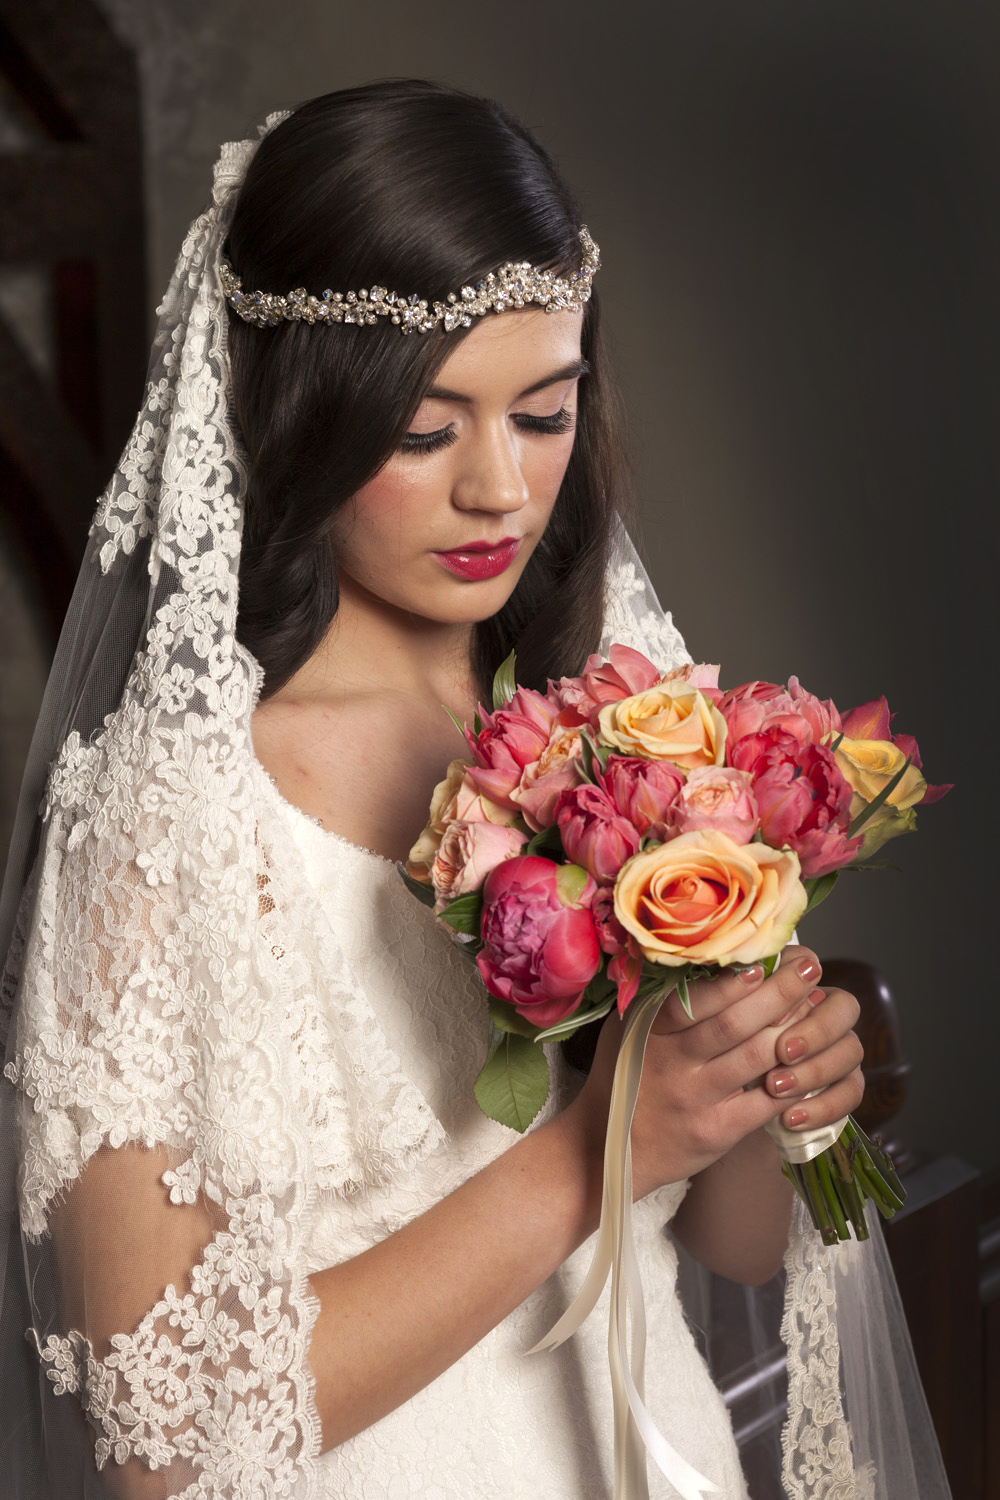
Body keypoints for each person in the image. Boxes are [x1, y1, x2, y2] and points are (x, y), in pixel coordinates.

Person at [0, 79, 951, 1500]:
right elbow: (163, 1440)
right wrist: (595, 1152)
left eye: (546, 411)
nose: (503, 490)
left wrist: (760, 1098)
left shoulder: (618, 734)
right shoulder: (163, 825)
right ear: (299, 412)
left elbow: (733, 1249)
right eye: (429, 431)